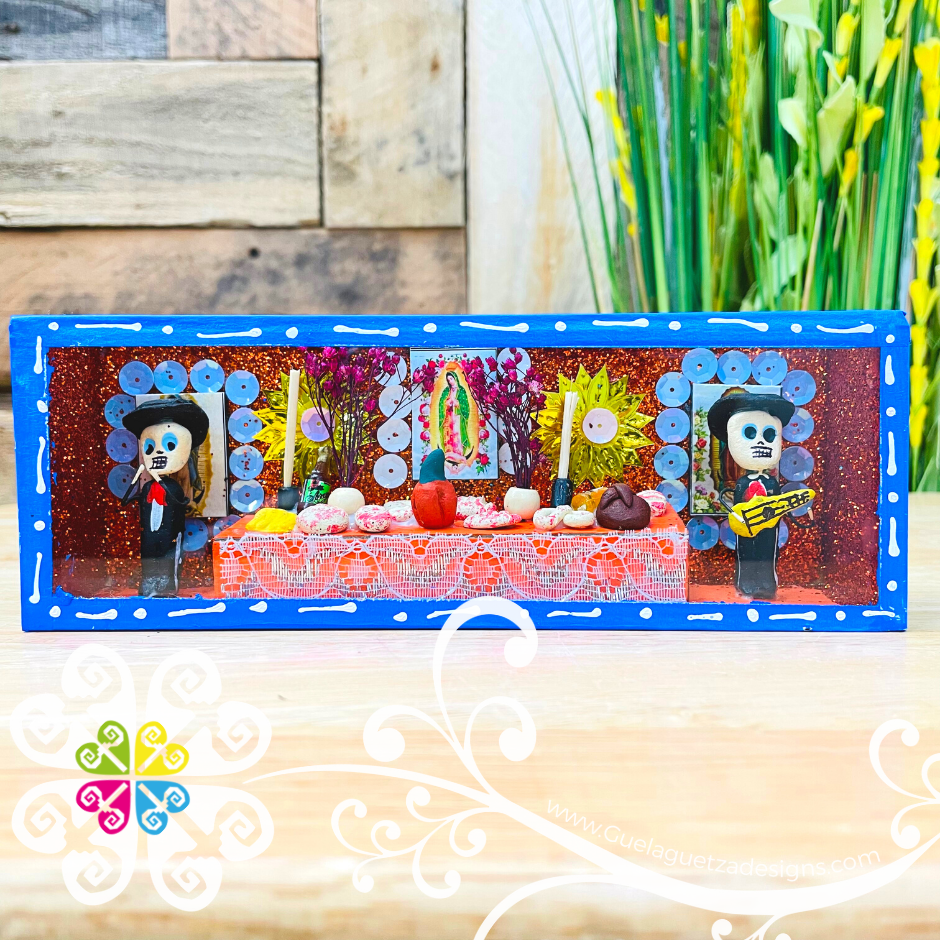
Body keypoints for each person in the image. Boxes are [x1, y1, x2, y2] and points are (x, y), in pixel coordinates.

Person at [707, 388, 795, 600]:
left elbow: (778, 506)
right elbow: (737, 507)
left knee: (767, 552)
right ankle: (745, 582)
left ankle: (766, 583)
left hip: (769, 529)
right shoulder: (742, 483)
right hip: (746, 529)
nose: (761, 442)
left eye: (769, 435)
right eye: (749, 434)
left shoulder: (772, 483)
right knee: (745, 552)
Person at [121, 396, 209, 597]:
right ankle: (149, 580)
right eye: (150, 447)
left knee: (167, 554)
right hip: (149, 534)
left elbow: (179, 508)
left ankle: (166, 582)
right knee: (148, 553)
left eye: (169, 444)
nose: (159, 452)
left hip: (169, 534)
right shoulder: (147, 488)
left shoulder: (174, 489)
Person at [438, 371, 474, 470]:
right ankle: (449, 452)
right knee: (448, 434)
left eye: (451, 379)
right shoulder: (446, 391)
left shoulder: (461, 391)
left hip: (458, 417)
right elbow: (441, 404)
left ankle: (458, 453)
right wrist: (446, 404)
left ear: (455, 378)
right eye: (448, 380)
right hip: (448, 416)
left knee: (457, 434)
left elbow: (466, 406)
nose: (450, 381)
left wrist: (457, 403)